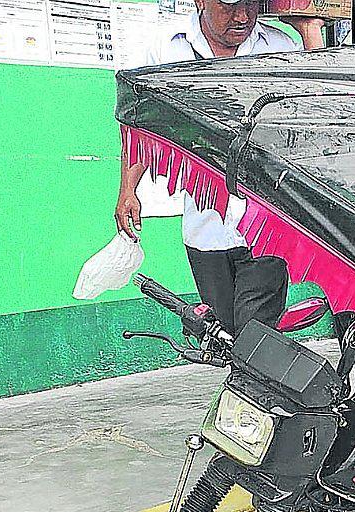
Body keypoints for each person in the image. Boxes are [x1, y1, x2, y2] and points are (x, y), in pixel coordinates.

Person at [114, 0, 326, 336]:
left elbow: (320, 109)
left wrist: (310, 31)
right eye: (229, 6)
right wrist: (128, 189)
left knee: (255, 335)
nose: (242, 16)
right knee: (226, 336)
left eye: (250, 4)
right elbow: (142, 126)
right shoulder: (166, 49)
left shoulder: (280, 47)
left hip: (267, 224)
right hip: (205, 227)